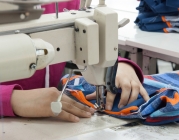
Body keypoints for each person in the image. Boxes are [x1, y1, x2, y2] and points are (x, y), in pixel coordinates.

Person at [0, 1, 149, 122]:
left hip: (49, 123)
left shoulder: (66, 2)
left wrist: (117, 65)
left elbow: (84, 40)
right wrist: (12, 99)